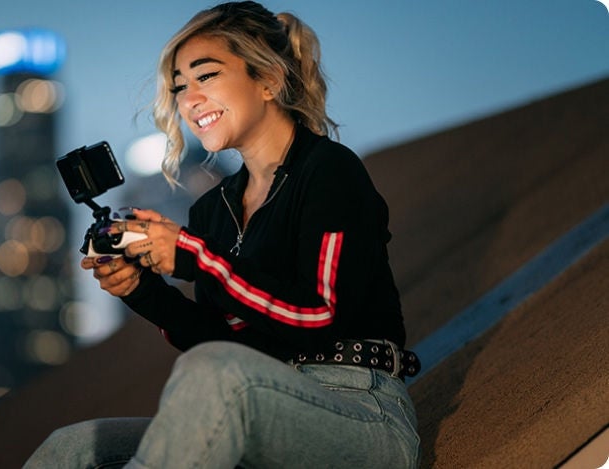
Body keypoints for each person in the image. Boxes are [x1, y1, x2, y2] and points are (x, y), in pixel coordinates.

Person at [25, 1, 420, 467]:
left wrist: (193, 255)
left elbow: (319, 317)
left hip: (360, 411)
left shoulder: (329, 171)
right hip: (254, 402)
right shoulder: (213, 209)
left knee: (213, 373)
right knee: (70, 450)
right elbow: (220, 339)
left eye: (206, 76)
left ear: (269, 79)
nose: (189, 100)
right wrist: (142, 289)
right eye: (179, 88)